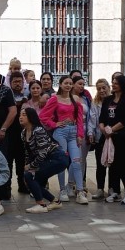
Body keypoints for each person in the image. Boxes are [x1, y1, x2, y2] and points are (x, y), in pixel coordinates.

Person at [39, 75, 88, 204]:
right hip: (60, 133)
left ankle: (80, 191)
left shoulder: (76, 99)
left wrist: (80, 135)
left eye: (70, 83)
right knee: (62, 162)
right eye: (66, 83)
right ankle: (62, 190)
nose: (68, 85)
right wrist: (55, 124)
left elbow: (79, 120)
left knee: (77, 162)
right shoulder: (55, 99)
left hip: (73, 133)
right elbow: (43, 116)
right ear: (60, 84)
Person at [19, 107, 71, 214]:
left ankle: (41, 204)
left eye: (24, 115)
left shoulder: (38, 130)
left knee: (30, 176)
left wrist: (31, 167)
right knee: (31, 178)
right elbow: (28, 152)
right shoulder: (24, 133)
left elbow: (42, 153)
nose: (20, 117)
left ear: (31, 116)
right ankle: (55, 202)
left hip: (58, 158)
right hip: (48, 159)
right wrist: (27, 165)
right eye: (20, 115)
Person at [98, 74, 125, 205]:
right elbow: (102, 118)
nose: (113, 84)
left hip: (124, 137)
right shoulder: (108, 99)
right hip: (108, 138)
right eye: (113, 82)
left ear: (122, 84)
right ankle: (115, 191)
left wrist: (112, 129)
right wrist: (103, 129)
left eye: (116, 82)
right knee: (112, 165)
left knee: (123, 165)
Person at [88, 79, 110, 200]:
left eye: (103, 87)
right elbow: (92, 119)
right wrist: (90, 133)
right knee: (100, 164)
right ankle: (100, 189)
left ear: (108, 87)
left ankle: (113, 188)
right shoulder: (95, 103)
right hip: (99, 137)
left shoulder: (114, 100)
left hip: (113, 136)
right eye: (99, 88)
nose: (102, 90)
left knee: (114, 165)